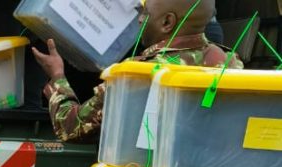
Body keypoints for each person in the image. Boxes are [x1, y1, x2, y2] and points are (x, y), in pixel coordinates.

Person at [32, 0, 241, 143]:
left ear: (167, 22)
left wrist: (57, 76)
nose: (139, 20)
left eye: (145, 14)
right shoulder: (232, 64)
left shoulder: (135, 74)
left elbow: (72, 128)